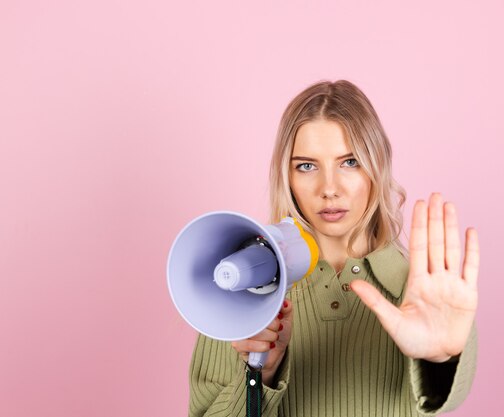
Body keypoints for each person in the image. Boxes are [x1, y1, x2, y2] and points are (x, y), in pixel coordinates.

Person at [188, 80, 480, 417]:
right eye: (307, 166)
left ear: (378, 166)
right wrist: (262, 374)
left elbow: (446, 397)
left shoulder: (427, 291)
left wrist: (439, 360)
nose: (329, 188)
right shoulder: (241, 288)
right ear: (288, 176)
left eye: (350, 162)